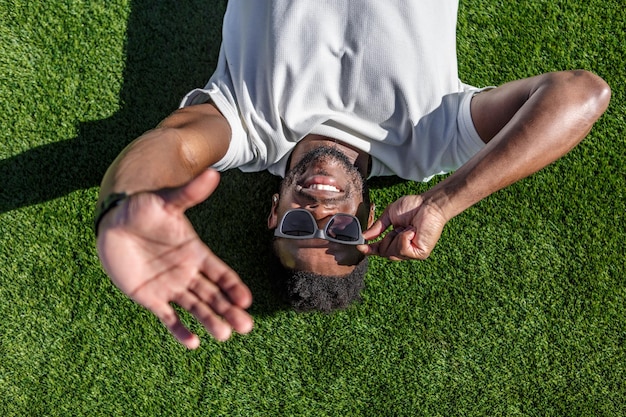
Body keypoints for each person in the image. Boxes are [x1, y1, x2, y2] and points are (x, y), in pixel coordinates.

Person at [95, 0, 610, 349]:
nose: (319, 212)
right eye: (339, 232)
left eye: (298, 227)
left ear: (274, 212)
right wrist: (441, 204)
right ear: (366, 220)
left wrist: (123, 204)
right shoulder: (429, 143)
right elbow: (582, 95)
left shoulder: (247, 128)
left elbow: (173, 145)